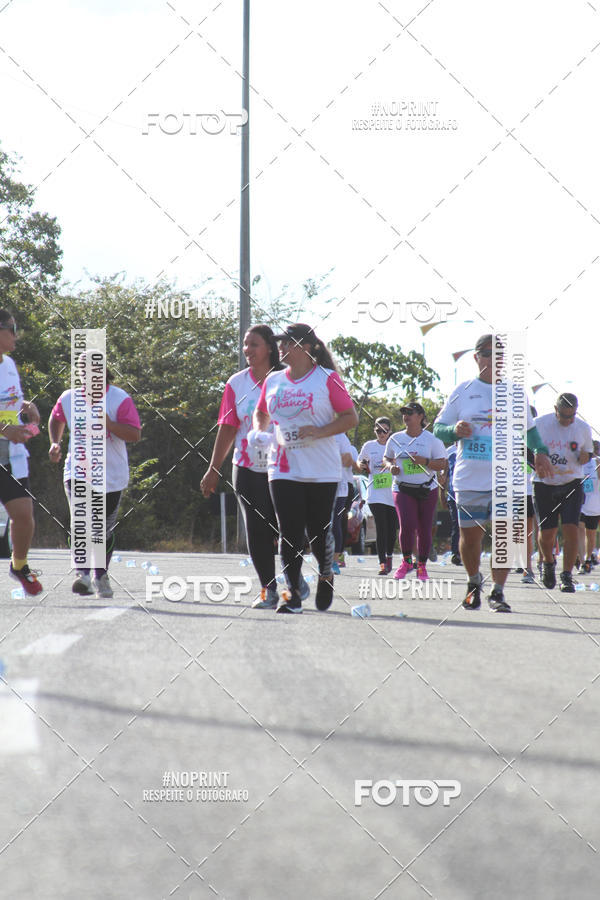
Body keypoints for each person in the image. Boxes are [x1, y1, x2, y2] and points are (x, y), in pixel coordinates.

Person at [434, 334, 553, 612]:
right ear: (476, 357)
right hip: (470, 478)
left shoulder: (515, 393)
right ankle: (473, 581)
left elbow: (530, 431)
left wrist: (541, 451)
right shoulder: (463, 391)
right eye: (486, 353)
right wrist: (454, 431)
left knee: (506, 537)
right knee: (470, 539)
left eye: (498, 354)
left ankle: (498, 592)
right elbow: (438, 429)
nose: (493, 359)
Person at [253, 323, 358, 613]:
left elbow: (350, 417)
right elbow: (261, 412)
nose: (281, 348)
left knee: (318, 532)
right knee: (289, 532)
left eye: (288, 343)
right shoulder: (273, 380)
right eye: (280, 343)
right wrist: (260, 431)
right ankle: (293, 594)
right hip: (283, 467)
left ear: (307, 347)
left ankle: (326, 574)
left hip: (322, 469)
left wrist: (320, 431)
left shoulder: (327, 378)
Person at [200, 325, 305, 610]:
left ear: (270, 347)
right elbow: (227, 427)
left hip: (285, 468)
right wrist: (214, 469)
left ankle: (294, 580)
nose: (247, 349)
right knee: (257, 531)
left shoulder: (289, 380)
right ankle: (268, 590)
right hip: (246, 468)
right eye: (245, 344)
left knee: (287, 529)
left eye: (254, 344)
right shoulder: (236, 383)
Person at [48, 356, 141, 598]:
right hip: (77, 471)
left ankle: (100, 575)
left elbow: (134, 434)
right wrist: (55, 443)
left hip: (111, 475)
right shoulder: (69, 398)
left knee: (101, 530)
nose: (87, 375)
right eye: (82, 370)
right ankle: (83, 575)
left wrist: (109, 424)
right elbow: (56, 418)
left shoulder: (119, 399)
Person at [0, 309, 43, 595]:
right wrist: (5, 429)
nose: (17, 335)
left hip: (10, 456)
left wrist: (27, 407)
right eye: (12, 329)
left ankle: (19, 565)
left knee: (24, 515)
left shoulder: (9, 364)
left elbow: (9, 399)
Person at [533, 393, 593, 592]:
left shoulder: (583, 428)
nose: (568, 420)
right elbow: (522, 448)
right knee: (547, 533)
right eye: (564, 416)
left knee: (571, 529)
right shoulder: (539, 424)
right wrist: (535, 465)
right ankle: (548, 562)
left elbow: (589, 452)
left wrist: (585, 457)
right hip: (544, 484)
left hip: (571, 482)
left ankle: (567, 575)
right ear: (555, 410)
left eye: (572, 416)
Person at [383, 402, 446, 581]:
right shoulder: (395, 438)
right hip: (402, 488)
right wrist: (391, 466)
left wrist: (425, 461)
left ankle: (422, 566)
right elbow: (386, 457)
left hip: (427, 489)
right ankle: (406, 561)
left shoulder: (432, 440)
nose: (406, 416)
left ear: (420, 416)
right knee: (407, 524)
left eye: (410, 412)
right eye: (403, 412)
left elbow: (442, 463)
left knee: (424, 528)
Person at [358, 417, 397, 575]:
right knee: (381, 528)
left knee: (391, 530)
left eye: (385, 431)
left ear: (390, 431)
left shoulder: (395, 445)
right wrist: (362, 465)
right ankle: (382, 563)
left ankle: (389, 557)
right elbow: (359, 462)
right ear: (375, 431)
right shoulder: (369, 446)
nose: (381, 434)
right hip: (375, 494)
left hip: (393, 493)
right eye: (378, 431)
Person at [331, 432, 358, 573]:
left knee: (337, 522)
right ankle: (324, 559)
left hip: (341, 487)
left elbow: (349, 461)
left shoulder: (341, 437)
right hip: (319, 485)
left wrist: (328, 459)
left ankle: (335, 560)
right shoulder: (315, 431)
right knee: (321, 523)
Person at [578, 440, 600, 573]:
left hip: (594, 504)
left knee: (590, 535)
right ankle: (582, 562)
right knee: (579, 529)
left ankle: (587, 559)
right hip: (580, 503)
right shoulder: (578, 463)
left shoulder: (596, 463)